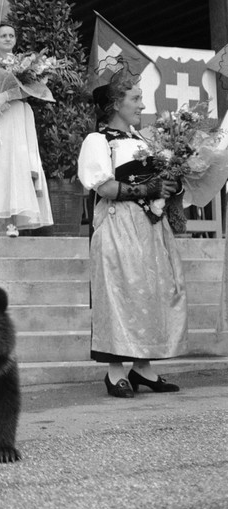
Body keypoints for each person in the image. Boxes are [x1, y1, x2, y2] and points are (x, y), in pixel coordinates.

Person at [77, 73, 185, 397]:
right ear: (114, 104)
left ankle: (143, 369)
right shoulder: (98, 141)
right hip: (116, 225)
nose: (142, 104)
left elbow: (161, 180)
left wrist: (171, 185)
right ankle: (114, 373)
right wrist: (145, 187)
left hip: (150, 227)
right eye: (135, 99)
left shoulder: (144, 140)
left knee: (150, 292)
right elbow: (105, 187)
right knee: (118, 293)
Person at [0, 21, 53, 236]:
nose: (7, 39)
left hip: (16, 114)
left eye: (11, 35)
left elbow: (30, 90)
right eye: (3, 36)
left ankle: (11, 221)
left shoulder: (25, 63)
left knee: (13, 163)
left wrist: (7, 95)